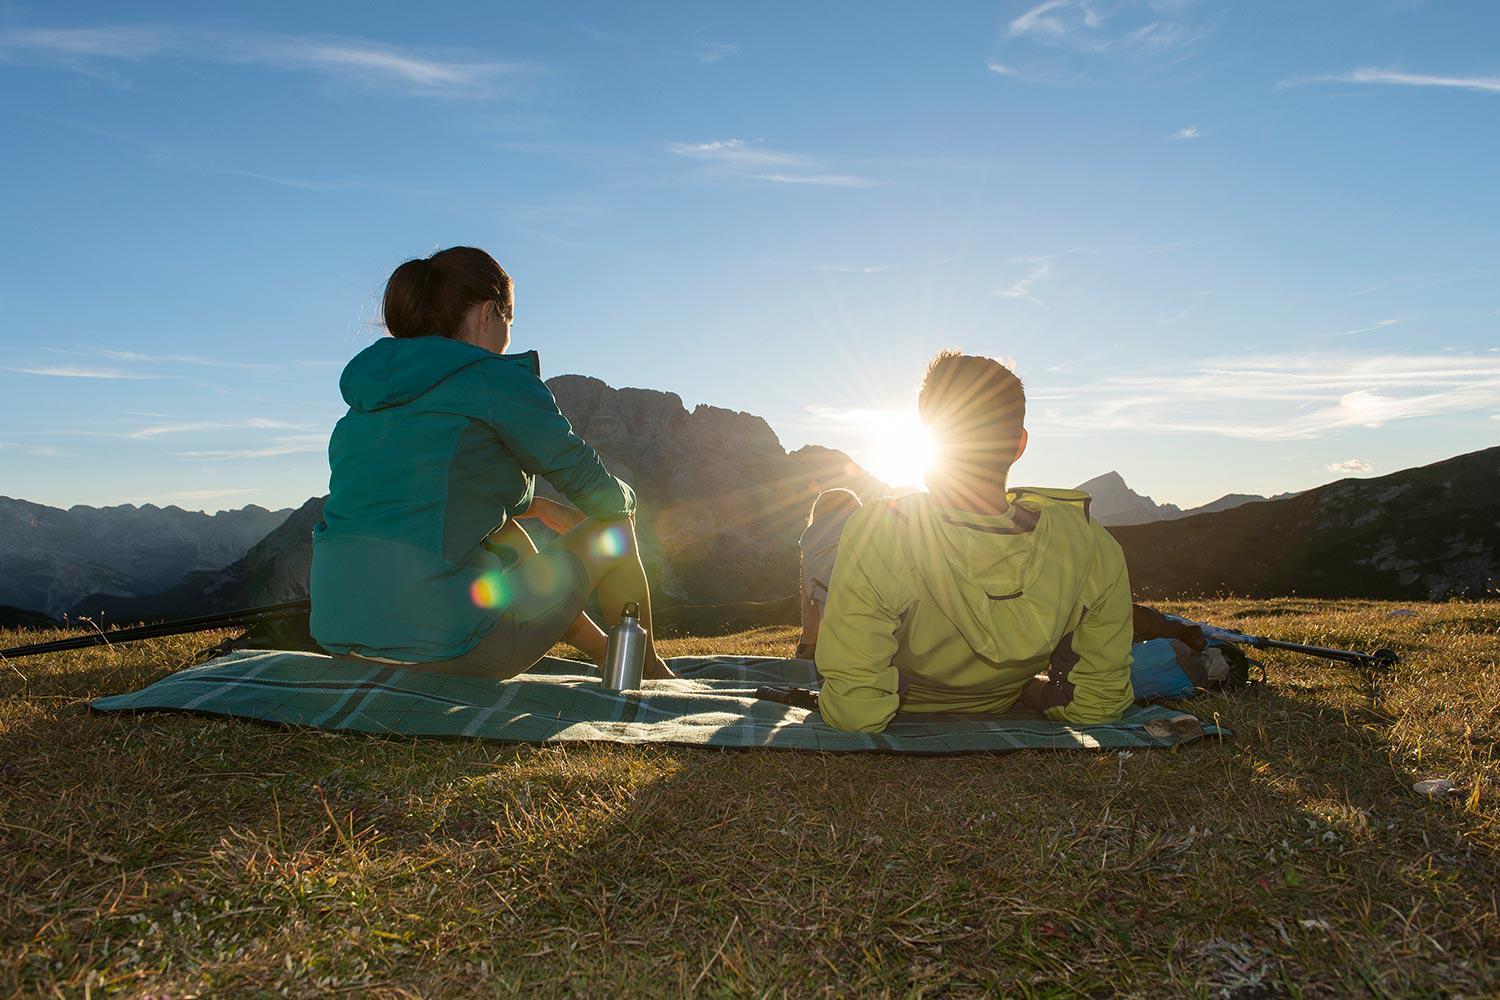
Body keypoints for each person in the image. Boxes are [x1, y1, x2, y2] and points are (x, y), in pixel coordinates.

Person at [310, 247, 672, 680]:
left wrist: (534, 506)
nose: (508, 339)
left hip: (344, 642)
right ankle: (650, 674)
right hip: (446, 649)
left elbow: (434, 494)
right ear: (488, 314)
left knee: (505, 534)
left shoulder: (372, 397)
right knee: (615, 528)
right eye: (509, 323)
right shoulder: (495, 379)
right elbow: (601, 494)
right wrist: (627, 503)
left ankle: (606, 653)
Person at [814, 351, 1133, 732]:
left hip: (902, 700)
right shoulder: (1090, 541)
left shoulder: (884, 529)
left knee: (833, 541)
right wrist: (1031, 693)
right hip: (1004, 699)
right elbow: (1100, 703)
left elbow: (854, 710)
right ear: (1019, 444)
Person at [795, 488, 862, 659]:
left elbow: (809, 607)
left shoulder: (812, 543)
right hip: (896, 643)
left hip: (842, 649)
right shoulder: (876, 534)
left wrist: (807, 646)